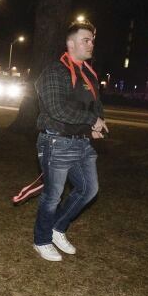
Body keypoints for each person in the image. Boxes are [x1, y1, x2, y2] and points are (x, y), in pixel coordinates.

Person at [32, 19, 108, 262]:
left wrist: (98, 123)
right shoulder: (55, 71)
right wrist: (91, 121)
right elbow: (57, 109)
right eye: (86, 40)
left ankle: (57, 229)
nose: (91, 44)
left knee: (89, 189)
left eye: (93, 40)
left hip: (81, 143)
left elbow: (95, 105)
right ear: (71, 43)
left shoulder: (89, 73)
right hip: (56, 142)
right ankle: (41, 240)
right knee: (53, 195)